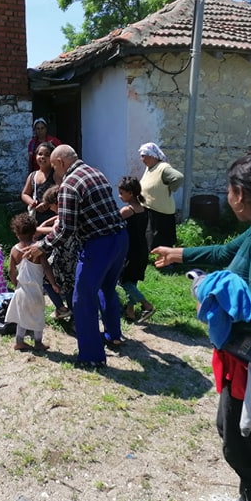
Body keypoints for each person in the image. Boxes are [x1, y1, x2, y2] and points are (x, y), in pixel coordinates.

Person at [151, 151, 251, 501]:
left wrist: (213, 311)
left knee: (241, 449)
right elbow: (225, 253)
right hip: (250, 362)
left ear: (241, 195)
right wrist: (178, 254)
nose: (227, 196)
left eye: (229, 190)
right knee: (236, 433)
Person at [22, 144, 128, 367]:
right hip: (120, 238)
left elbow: (65, 229)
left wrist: (41, 246)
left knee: (82, 298)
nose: (55, 171)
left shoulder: (70, 184)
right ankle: (113, 336)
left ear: (60, 162)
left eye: (54, 166)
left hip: (98, 244)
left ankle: (91, 357)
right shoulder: (96, 172)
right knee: (107, 288)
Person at [4, 213, 59, 352]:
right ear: (35, 231)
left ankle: (19, 341)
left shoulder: (14, 250)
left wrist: (15, 284)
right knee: (38, 317)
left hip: (21, 291)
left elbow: (10, 271)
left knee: (22, 317)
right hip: (35, 292)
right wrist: (53, 284)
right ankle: (38, 342)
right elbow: (46, 268)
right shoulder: (37, 250)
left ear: (17, 234)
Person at [117, 176, 155, 323]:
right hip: (142, 249)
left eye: (121, 193)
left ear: (130, 193)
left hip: (131, 251)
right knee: (132, 281)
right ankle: (130, 311)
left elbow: (112, 222)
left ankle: (146, 305)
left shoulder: (127, 211)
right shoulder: (143, 209)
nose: (119, 196)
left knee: (124, 281)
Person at [38, 185, 77, 318]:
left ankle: (63, 309)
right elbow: (56, 218)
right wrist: (44, 223)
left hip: (64, 255)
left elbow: (57, 229)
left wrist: (38, 230)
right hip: (70, 254)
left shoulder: (63, 218)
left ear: (57, 203)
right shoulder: (69, 212)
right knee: (69, 284)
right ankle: (71, 313)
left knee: (48, 279)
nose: (50, 209)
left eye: (50, 206)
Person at [138, 142, 184, 251]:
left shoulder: (163, 168)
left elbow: (178, 177)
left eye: (144, 156)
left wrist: (170, 189)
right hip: (150, 210)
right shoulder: (150, 168)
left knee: (161, 241)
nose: (142, 159)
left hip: (161, 213)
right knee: (151, 240)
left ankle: (166, 260)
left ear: (152, 156)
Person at [21, 141, 60, 225]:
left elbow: (60, 191)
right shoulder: (33, 176)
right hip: (36, 217)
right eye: (40, 154)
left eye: (47, 155)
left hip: (52, 217)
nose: (43, 157)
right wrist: (31, 202)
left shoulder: (55, 175)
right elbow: (25, 194)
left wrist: (47, 204)